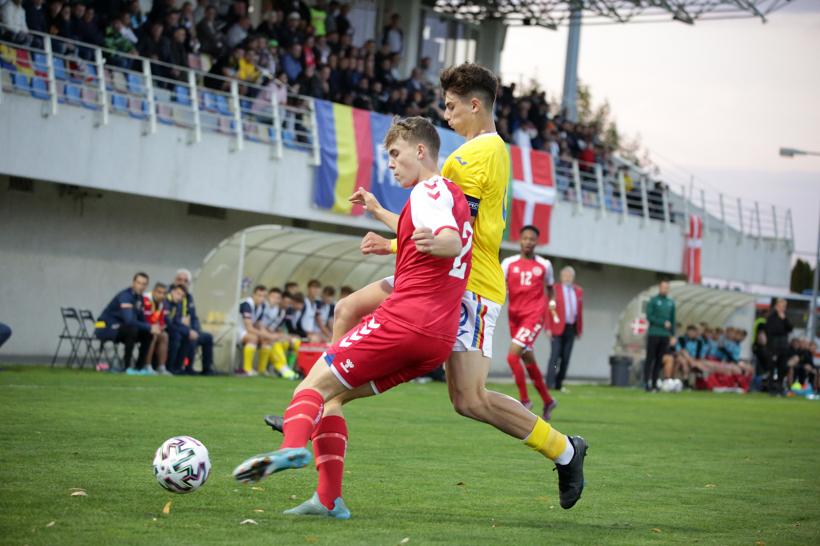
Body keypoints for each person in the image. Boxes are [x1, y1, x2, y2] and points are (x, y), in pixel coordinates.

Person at [264, 64, 586, 512]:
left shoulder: (475, 157)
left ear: (475, 105)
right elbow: (437, 224)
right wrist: (387, 225)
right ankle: (318, 396)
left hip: (466, 283)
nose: (447, 115)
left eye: (452, 107)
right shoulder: (480, 153)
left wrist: (397, 238)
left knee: (469, 400)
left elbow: (454, 232)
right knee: (349, 308)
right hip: (440, 275)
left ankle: (565, 450)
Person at [234, 116, 472, 518]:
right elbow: (433, 233)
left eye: (395, 155)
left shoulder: (428, 190)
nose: (391, 164)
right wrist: (382, 216)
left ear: (420, 151)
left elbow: (446, 237)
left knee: (310, 385)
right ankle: (330, 501)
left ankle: (292, 446)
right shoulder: (449, 194)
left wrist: (442, 241)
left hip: (405, 322)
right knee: (332, 398)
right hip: (437, 339)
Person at [500, 225, 556, 419]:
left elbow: (550, 288)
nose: (528, 242)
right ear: (520, 240)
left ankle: (525, 400)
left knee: (512, 356)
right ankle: (548, 401)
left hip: (534, 315)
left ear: (536, 242)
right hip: (514, 315)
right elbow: (500, 284)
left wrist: (551, 303)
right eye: (525, 238)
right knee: (527, 359)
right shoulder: (508, 263)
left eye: (532, 239)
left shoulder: (544, 265)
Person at [95, 272, 160, 374]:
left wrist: (152, 327)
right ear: (133, 283)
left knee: (148, 334)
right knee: (131, 329)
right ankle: (127, 367)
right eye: (139, 283)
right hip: (105, 327)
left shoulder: (140, 298)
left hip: (121, 328)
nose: (141, 286)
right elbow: (129, 320)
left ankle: (140, 368)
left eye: (144, 284)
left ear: (147, 285)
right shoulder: (125, 296)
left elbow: (142, 319)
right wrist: (149, 326)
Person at [167, 269, 214, 375]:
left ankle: (207, 369)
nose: (182, 282)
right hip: (175, 329)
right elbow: (171, 318)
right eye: (179, 279)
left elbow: (193, 317)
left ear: (188, 283)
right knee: (186, 337)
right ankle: (182, 368)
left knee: (207, 337)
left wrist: (195, 330)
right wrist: (188, 330)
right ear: (174, 280)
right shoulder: (169, 295)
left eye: (185, 281)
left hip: (187, 328)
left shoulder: (189, 297)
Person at [548, 265, 584, 391]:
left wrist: (579, 329)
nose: (567, 278)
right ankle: (550, 383)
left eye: (570, 276)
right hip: (557, 328)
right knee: (555, 357)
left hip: (571, 328)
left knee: (566, 358)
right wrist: (548, 327)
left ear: (573, 277)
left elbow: (580, 312)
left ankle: (559, 383)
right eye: (565, 275)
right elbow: (549, 310)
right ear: (561, 277)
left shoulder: (578, 291)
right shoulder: (555, 289)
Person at [259, 288, 298, 380]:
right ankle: (282, 369)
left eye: (277, 298)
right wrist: (273, 336)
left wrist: (281, 335)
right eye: (273, 297)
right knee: (272, 341)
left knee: (289, 341)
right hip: (254, 333)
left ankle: (286, 367)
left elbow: (272, 328)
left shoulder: (280, 311)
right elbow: (259, 326)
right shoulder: (264, 307)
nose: (275, 300)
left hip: (264, 333)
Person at [644, 280, 675, 391]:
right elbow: (649, 317)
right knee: (650, 358)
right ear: (659, 288)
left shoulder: (671, 303)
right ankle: (646, 382)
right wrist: (662, 323)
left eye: (666, 288)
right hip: (654, 333)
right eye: (663, 287)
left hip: (665, 335)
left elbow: (673, 320)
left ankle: (654, 383)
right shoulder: (653, 301)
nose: (664, 289)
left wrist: (672, 335)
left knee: (659, 360)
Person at [237, 285, 272, 377]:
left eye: (263, 296)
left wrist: (267, 335)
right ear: (253, 295)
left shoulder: (262, 306)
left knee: (266, 340)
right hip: (237, 330)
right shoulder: (247, 304)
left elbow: (259, 324)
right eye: (259, 295)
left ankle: (262, 369)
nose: (261, 298)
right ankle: (247, 369)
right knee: (253, 338)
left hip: (248, 331)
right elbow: (249, 328)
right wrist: (267, 335)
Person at [142, 282, 172, 376]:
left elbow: (161, 320)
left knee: (164, 336)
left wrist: (161, 326)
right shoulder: (146, 299)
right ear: (154, 292)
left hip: (151, 327)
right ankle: (147, 366)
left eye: (164, 293)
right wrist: (154, 327)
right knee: (153, 335)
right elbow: (144, 318)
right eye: (159, 292)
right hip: (140, 328)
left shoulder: (161, 303)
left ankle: (161, 367)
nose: (162, 295)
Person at [764, 298, 792, 395]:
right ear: (777, 306)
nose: (783, 308)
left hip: (783, 346)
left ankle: (780, 386)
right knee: (772, 367)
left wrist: (784, 319)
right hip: (774, 346)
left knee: (782, 367)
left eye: (785, 306)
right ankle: (771, 387)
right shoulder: (771, 316)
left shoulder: (785, 317)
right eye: (782, 306)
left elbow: (790, 328)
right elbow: (771, 330)